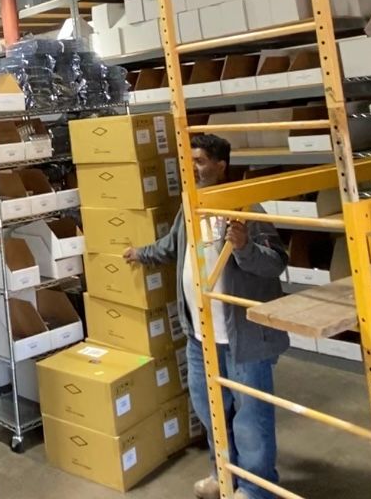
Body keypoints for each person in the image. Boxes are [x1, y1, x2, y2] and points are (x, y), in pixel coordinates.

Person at [124, 132, 288, 499]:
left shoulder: (247, 209)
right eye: (189, 161)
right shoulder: (190, 206)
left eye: (199, 161)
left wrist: (244, 247)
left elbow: (276, 263)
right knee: (211, 410)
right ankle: (224, 475)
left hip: (243, 337)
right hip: (200, 336)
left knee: (251, 416)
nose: (192, 168)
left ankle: (257, 489)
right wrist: (140, 254)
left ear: (221, 166)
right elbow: (172, 247)